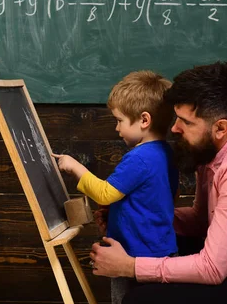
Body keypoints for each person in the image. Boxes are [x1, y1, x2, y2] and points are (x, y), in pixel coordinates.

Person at [89, 62, 227, 304]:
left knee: (141, 299)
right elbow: (200, 220)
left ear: (220, 127)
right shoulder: (211, 152)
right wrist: (132, 217)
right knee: (142, 241)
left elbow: (212, 269)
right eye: (177, 117)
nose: (174, 128)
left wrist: (129, 266)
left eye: (187, 122)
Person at [53, 70, 179, 304]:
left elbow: (105, 193)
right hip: (159, 251)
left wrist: (75, 167)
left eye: (119, 120)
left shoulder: (139, 158)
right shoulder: (165, 153)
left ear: (144, 120)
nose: (116, 128)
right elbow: (161, 197)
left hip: (135, 254)